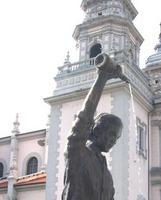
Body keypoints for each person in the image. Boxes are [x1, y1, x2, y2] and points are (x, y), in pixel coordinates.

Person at [62, 53, 127, 200]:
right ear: (96, 130)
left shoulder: (108, 177)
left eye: (116, 137)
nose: (114, 141)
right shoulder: (78, 152)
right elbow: (84, 119)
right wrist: (102, 78)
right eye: (111, 134)